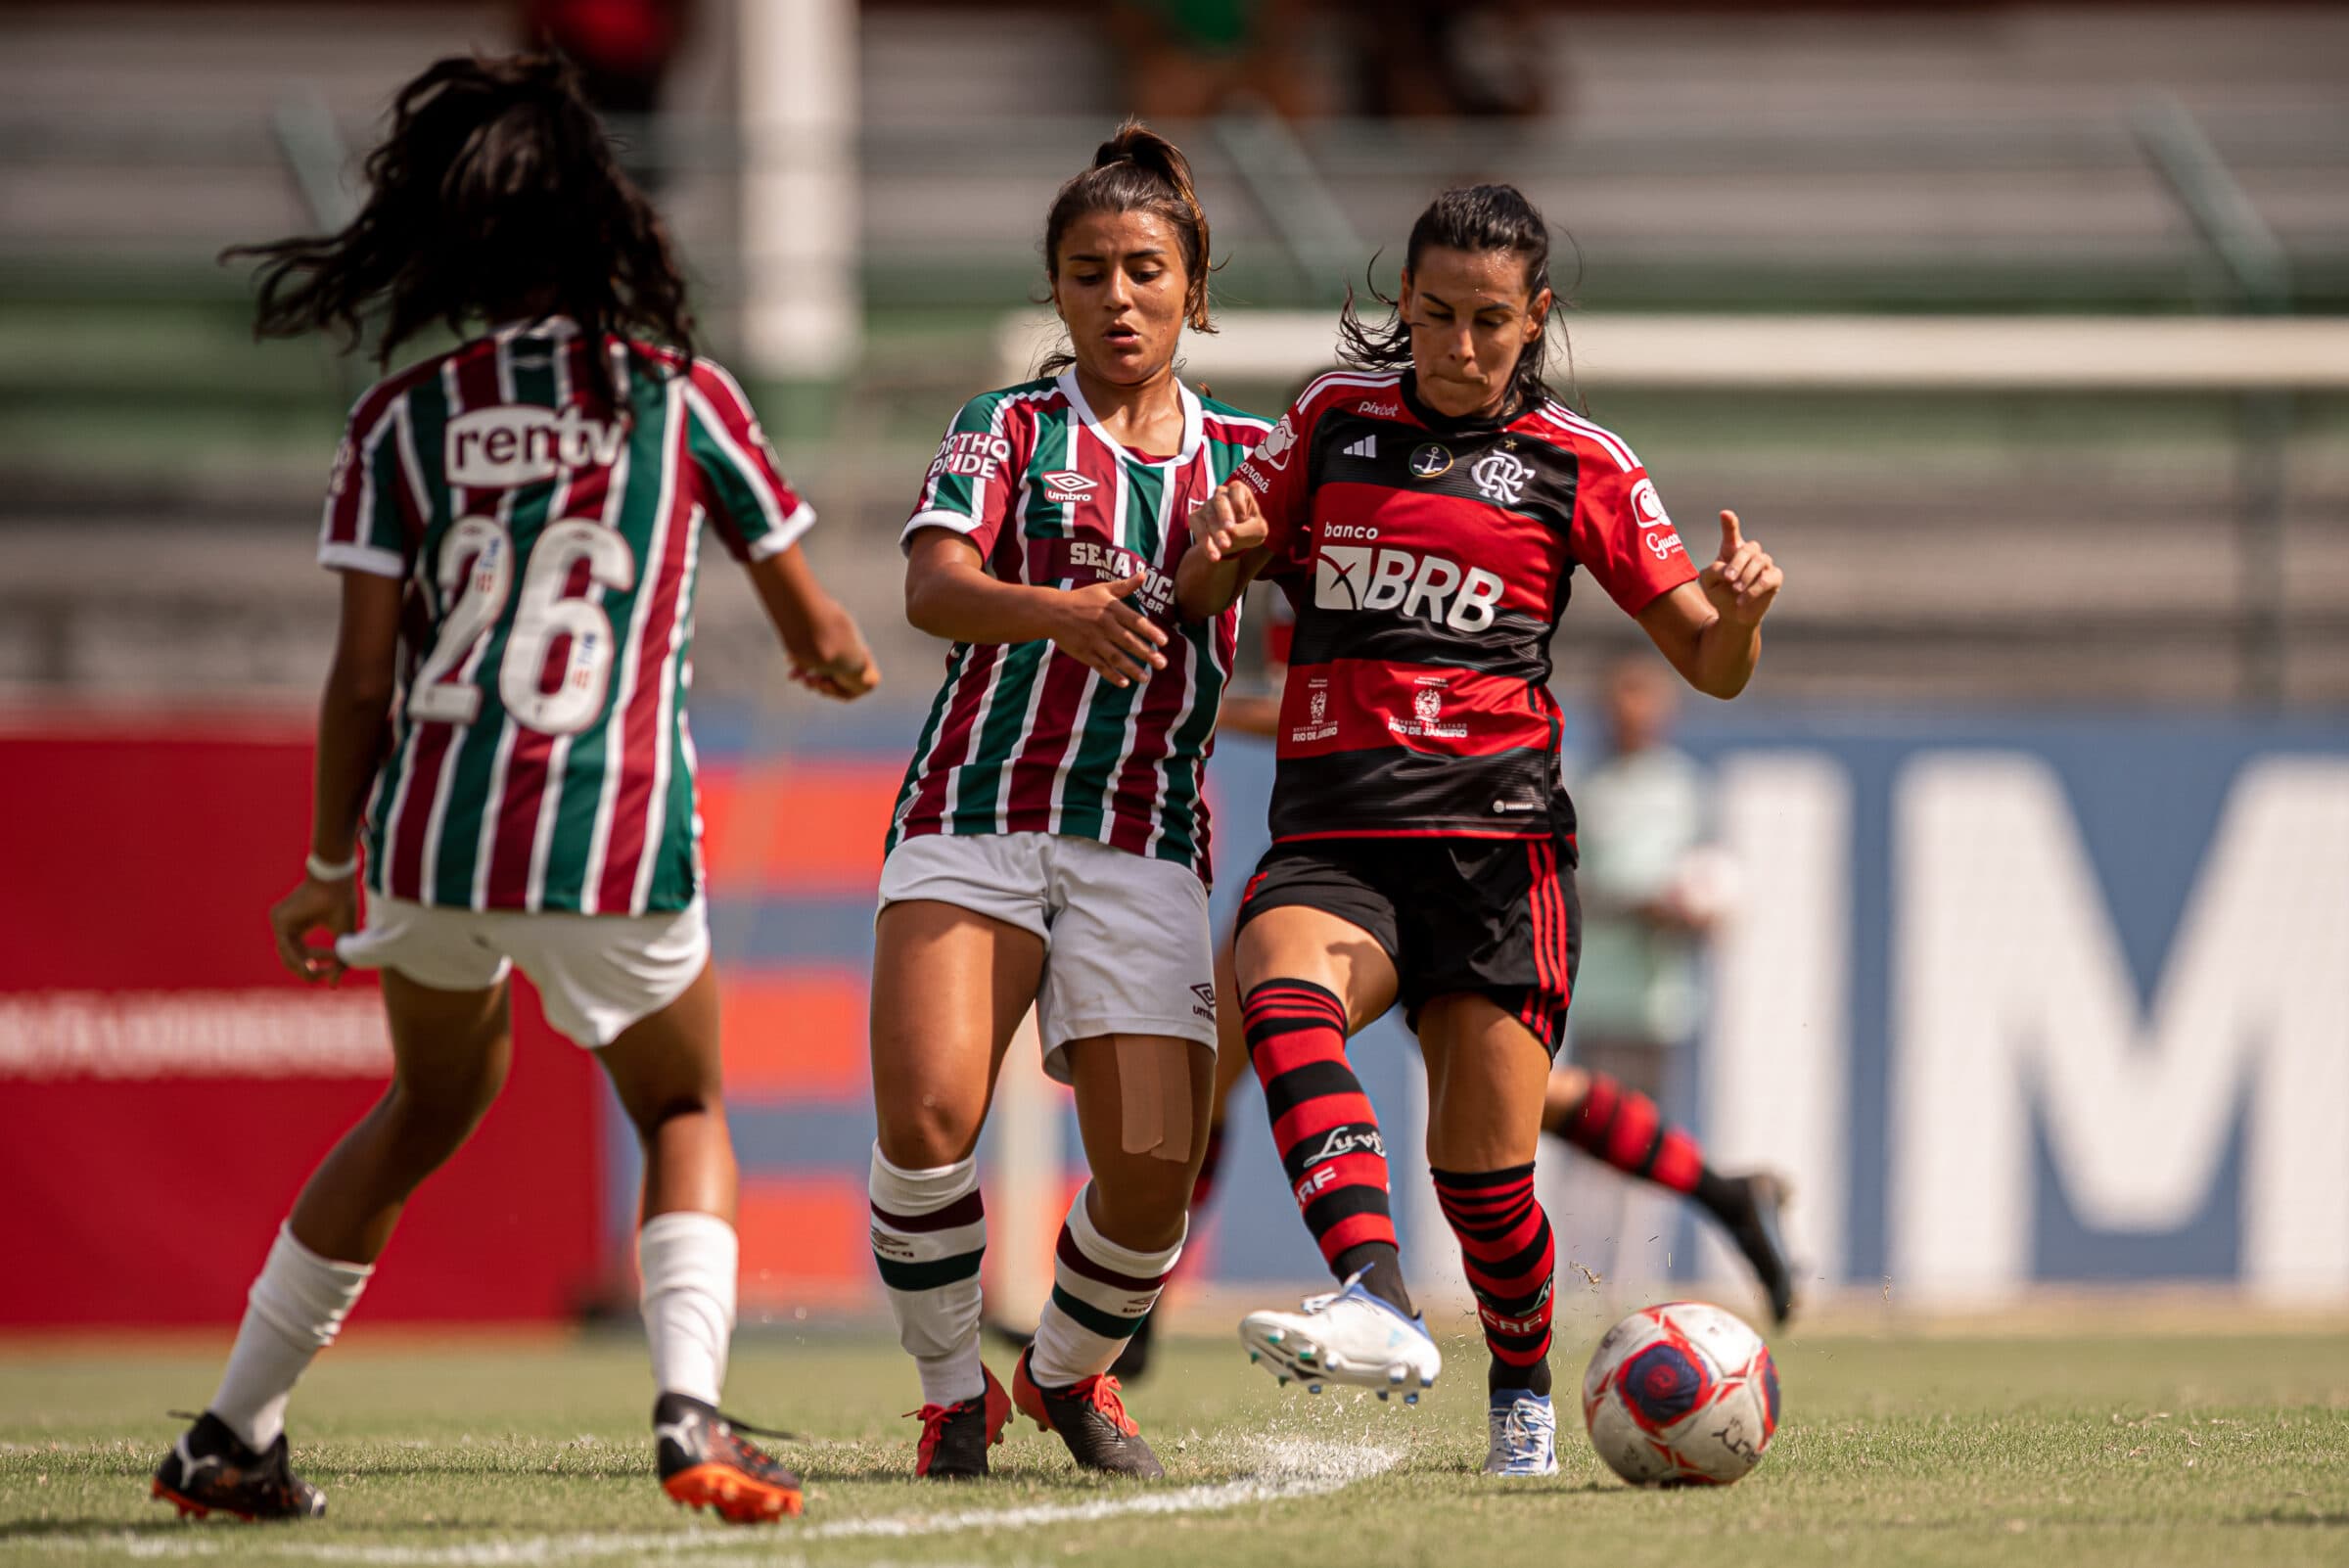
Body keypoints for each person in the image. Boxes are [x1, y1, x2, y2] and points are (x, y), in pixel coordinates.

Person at [151, 55, 878, 1527]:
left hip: (431, 837)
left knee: (428, 1098)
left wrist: (321, 861)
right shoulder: (681, 399)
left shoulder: (401, 418)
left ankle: (232, 1427)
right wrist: (835, 660)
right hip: (611, 837)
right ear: (613, 223)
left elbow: (362, 678)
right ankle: (689, 1406)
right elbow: (819, 624)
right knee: (682, 1098)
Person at [1176, 184, 1786, 1479]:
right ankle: (1375, 1293)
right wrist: (1221, 551)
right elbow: (1210, 582)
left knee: (1485, 1179)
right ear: (1402, 301)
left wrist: (1735, 615)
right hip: (1337, 828)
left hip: (1497, 850)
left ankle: (1522, 1378)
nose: (1458, 345)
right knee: (1278, 988)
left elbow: (1708, 662)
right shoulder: (1331, 421)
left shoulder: (1583, 461)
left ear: (1537, 317)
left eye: (1489, 321)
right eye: (1436, 314)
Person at [868, 121, 1269, 1482]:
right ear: (1057, 290)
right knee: (928, 1122)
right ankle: (947, 1397)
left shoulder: (1260, 465)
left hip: (1146, 834)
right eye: (1089, 270)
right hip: (975, 808)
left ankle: (1061, 1374)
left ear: (1192, 289)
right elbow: (931, 586)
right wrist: (1060, 612)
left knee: (1154, 1175)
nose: (1118, 296)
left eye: (1145, 269)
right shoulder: (1008, 425)